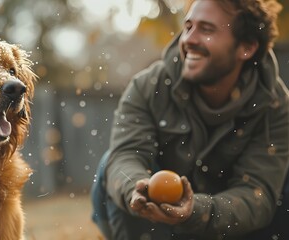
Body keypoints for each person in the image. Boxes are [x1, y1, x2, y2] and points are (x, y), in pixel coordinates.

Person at [91, 0, 289, 239]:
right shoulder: (148, 87)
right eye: (188, 27)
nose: (189, 40)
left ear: (246, 47)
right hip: (156, 227)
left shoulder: (274, 106)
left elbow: (256, 195)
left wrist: (196, 211)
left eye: (206, 30)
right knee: (109, 164)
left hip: (227, 228)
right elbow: (127, 155)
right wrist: (137, 188)